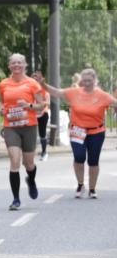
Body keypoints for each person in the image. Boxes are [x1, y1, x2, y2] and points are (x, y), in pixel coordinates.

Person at [35, 69, 117, 199]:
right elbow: (56, 92)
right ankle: (80, 184)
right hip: (77, 131)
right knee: (79, 157)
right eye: (84, 80)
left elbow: (115, 103)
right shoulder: (74, 92)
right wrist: (43, 84)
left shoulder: (102, 95)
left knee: (93, 161)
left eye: (89, 81)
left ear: (95, 81)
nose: (86, 83)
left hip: (96, 131)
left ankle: (92, 188)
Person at [0, 54, 48, 210]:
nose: (16, 65)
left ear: (25, 65)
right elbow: (2, 101)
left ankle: (31, 181)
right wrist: (1, 108)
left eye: (19, 62)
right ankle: (16, 199)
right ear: (9, 66)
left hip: (29, 126)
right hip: (11, 126)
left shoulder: (32, 84)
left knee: (29, 163)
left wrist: (28, 106)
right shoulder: (4, 84)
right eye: (13, 63)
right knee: (14, 161)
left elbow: (42, 105)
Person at [33, 69, 50, 161]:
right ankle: (29, 152)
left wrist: (42, 105)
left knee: (42, 134)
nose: (36, 80)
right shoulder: (30, 89)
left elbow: (48, 102)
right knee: (31, 134)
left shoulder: (44, 90)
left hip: (43, 114)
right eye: (34, 78)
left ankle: (44, 152)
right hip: (32, 114)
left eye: (38, 78)